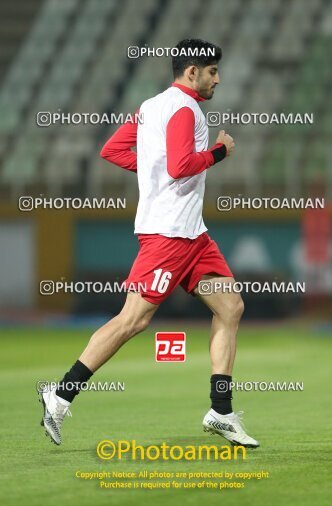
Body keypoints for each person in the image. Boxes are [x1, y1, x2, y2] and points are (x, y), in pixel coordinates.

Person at [39, 38, 259, 448]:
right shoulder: (186, 108)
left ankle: (221, 411)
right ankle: (61, 394)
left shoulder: (150, 106)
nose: (218, 79)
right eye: (212, 71)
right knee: (132, 321)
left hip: (193, 234)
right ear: (191, 72)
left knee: (230, 306)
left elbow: (113, 149)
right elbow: (179, 167)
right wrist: (218, 152)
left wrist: (153, 167)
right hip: (169, 235)